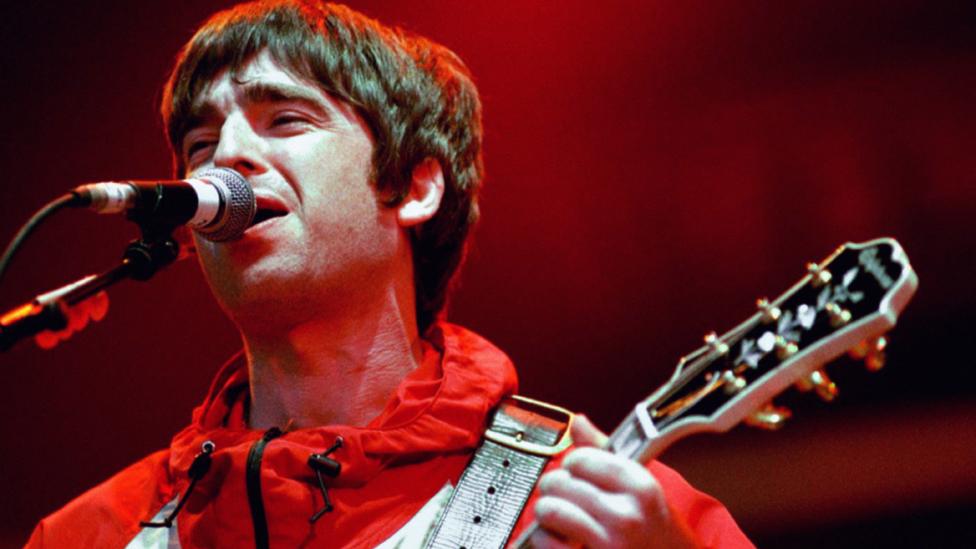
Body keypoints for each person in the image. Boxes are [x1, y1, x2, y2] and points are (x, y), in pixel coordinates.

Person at [28, 1, 752, 547]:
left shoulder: (604, 505)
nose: (227, 157)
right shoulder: (90, 531)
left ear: (412, 188)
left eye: (284, 119)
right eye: (201, 140)